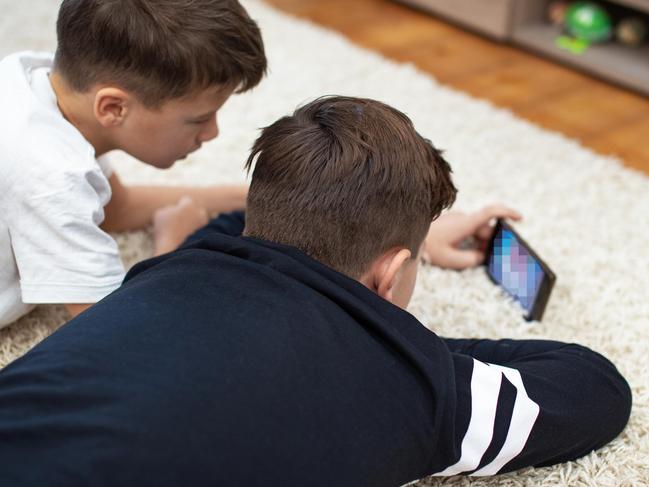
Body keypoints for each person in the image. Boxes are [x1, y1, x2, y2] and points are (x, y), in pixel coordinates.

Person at [0, 97, 631, 487]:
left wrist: (416, 243)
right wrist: (397, 339)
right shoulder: (417, 386)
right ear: (389, 274)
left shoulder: (169, 273)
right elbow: (593, 387)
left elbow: (241, 231)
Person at [0, 0, 267, 327]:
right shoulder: (51, 173)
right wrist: (174, 243)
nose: (212, 133)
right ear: (113, 108)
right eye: (199, 119)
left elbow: (117, 209)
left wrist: (252, 197)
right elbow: (114, 328)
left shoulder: (29, 79)